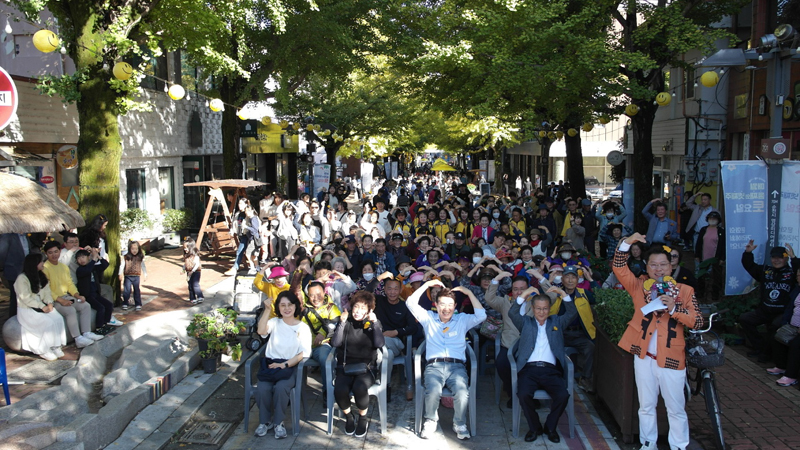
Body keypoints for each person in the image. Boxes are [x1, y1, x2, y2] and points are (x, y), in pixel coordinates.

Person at [613, 232, 703, 450]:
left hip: (672, 356)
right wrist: (627, 242)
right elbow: (619, 267)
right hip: (644, 356)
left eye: (663, 264)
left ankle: (679, 445)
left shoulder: (685, 291)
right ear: (647, 266)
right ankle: (647, 443)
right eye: (653, 264)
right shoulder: (640, 287)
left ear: (671, 266)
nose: (658, 269)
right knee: (646, 405)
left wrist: (674, 308)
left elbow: (697, 322)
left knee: (676, 407)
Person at [407, 279, 487, 440]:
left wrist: (469, 292)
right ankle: (430, 420)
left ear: (455, 307)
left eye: (450, 305)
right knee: (433, 390)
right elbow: (410, 302)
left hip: (457, 367)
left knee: (462, 391)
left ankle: (459, 423)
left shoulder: (462, 319)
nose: (446, 308)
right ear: (436, 305)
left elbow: (482, 315)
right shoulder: (428, 318)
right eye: (442, 304)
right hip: (434, 366)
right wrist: (426, 285)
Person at [509, 285, 579, 443]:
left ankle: (550, 426)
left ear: (550, 309)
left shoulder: (557, 322)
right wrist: (525, 294)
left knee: (563, 395)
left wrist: (563, 293)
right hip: (529, 370)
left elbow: (572, 312)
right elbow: (512, 313)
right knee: (523, 394)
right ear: (532, 308)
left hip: (550, 371)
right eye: (538, 308)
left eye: (545, 309)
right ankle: (534, 427)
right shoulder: (526, 323)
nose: (542, 312)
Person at [254, 291, 312, 439]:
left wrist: (285, 364)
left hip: (289, 366)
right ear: (278, 308)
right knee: (262, 388)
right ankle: (265, 422)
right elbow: (261, 331)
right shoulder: (274, 323)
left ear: (295, 306)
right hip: (270, 365)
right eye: (283, 305)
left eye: (290, 305)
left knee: (281, 388)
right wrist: (267, 310)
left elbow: (303, 353)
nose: (287, 308)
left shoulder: (303, 328)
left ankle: (278, 422)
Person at [330, 291, 385, 437]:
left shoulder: (373, 324)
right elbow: (335, 343)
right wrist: (341, 323)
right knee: (340, 390)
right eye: (356, 307)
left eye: (362, 308)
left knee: (359, 387)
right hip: (345, 366)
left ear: (369, 310)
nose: (358, 311)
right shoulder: (345, 321)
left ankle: (362, 417)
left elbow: (380, 343)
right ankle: (349, 417)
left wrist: (374, 323)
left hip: (367, 368)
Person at [739, 242, 799, 362]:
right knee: (745, 319)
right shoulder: (766, 271)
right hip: (765, 310)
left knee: (775, 326)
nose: (776, 260)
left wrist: (794, 258)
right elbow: (749, 266)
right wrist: (748, 253)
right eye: (774, 257)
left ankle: (767, 354)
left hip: (781, 313)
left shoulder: (792, 273)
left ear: (785, 258)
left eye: (780, 258)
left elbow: (798, 268)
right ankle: (760, 348)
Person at [42, 241, 103, 348]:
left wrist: (77, 295)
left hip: (67, 296)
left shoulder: (63, 267)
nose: (54, 255)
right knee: (70, 310)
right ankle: (78, 338)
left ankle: (86, 333)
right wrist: (61, 301)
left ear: (60, 251)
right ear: (46, 254)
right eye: (50, 252)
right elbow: (46, 290)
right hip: (54, 300)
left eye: (56, 251)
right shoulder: (45, 268)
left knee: (85, 305)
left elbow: (69, 283)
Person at [374, 276, 423, 401]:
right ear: (384, 289)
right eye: (389, 289)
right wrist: (378, 278)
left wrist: (396, 332)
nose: (392, 292)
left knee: (385, 342)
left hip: (396, 343)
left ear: (401, 290)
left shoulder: (405, 306)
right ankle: (386, 386)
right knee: (387, 355)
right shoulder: (379, 301)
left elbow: (413, 327)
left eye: (396, 289)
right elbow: (364, 293)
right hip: (383, 345)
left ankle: (374, 370)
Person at [291, 279, 340, 395]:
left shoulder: (332, 307)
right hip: (302, 345)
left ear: (324, 293)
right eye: (312, 295)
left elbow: (335, 323)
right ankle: (290, 391)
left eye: (318, 294)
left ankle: (328, 392)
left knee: (325, 359)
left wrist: (322, 333)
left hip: (321, 345)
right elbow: (295, 289)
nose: (315, 298)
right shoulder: (303, 306)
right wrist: (299, 273)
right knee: (287, 357)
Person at [14, 253, 67, 360]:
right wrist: (41, 306)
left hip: (42, 306)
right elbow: (26, 298)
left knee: (58, 318)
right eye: (41, 262)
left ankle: (56, 345)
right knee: (48, 323)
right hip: (27, 309)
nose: (43, 263)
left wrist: (49, 303)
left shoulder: (41, 275)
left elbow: (47, 292)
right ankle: (43, 349)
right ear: (34, 264)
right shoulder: (22, 279)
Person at [766, 266, 800, 387]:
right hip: (793, 326)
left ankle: (791, 376)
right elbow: (790, 309)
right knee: (777, 336)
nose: (798, 279)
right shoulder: (797, 290)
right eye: (798, 276)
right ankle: (781, 366)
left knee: (796, 345)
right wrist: (785, 323)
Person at [75, 248, 121, 334]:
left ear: (88, 257)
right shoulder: (80, 270)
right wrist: (93, 259)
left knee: (109, 305)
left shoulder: (93, 267)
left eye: (83, 257)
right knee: (101, 308)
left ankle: (105, 322)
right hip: (87, 295)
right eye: (79, 258)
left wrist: (98, 256)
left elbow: (105, 264)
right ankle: (99, 327)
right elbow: (87, 270)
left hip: (95, 293)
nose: (81, 260)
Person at [0, 233, 32, 318]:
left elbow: (29, 250)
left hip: (27, 270)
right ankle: (13, 319)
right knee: (15, 297)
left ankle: (24, 317)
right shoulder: (7, 236)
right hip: (13, 270)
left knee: (25, 295)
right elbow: (2, 253)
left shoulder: (26, 236)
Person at [119, 240, 147, 311]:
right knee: (127, 290)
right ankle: (125, 302)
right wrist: (120, 273)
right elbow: (122, 266)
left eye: (136, 249)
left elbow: (143, 266)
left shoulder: (140, 257)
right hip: (128, 276)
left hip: (136, 276)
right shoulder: (126, 257)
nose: (134, 250)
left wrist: (145, 274)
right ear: (129, 249)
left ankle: (138, 303)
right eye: (132, 249)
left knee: (136, 290)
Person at [183, 237, 203, 304]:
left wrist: (192, 271)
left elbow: (197, 264)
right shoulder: (186, 256)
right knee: (190, 285)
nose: (185, 249)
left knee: (195, 284)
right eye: (184, 248)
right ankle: (192, 298)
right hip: (189, 272)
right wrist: (183, 269)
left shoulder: (195, 256)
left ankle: (200, 296)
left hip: (195, 272)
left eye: (186, 248)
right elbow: (185, 263)